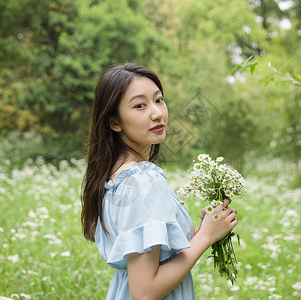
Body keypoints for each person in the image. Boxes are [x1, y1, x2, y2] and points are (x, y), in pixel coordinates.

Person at [81, 63, 238, 299]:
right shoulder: (142, 180)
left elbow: (149, 256)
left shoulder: (115, 175)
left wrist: (199, 232)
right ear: (114, 122)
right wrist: (205, 237)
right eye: (140, 105)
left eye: (159, 100)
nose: (157, 113)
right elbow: (144, 293)